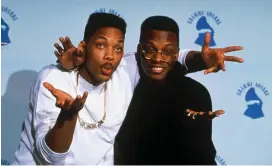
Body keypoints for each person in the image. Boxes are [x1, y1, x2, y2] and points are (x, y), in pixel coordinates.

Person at [13, 12, 243, 165]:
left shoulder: (123, 69)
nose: (110, 56)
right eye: (101, 45)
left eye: (118, 47)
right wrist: (68, 116)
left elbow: (166, 56)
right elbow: (49, 158)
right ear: (84, 46)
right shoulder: (53, 80)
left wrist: (203, 60)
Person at [114, 16, 223, 165]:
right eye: (150, 50)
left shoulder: (195, 93)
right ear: (139, 50)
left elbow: (204, 157)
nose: (158, 58)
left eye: (167, 52)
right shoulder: (121, 82)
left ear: (176, 54)